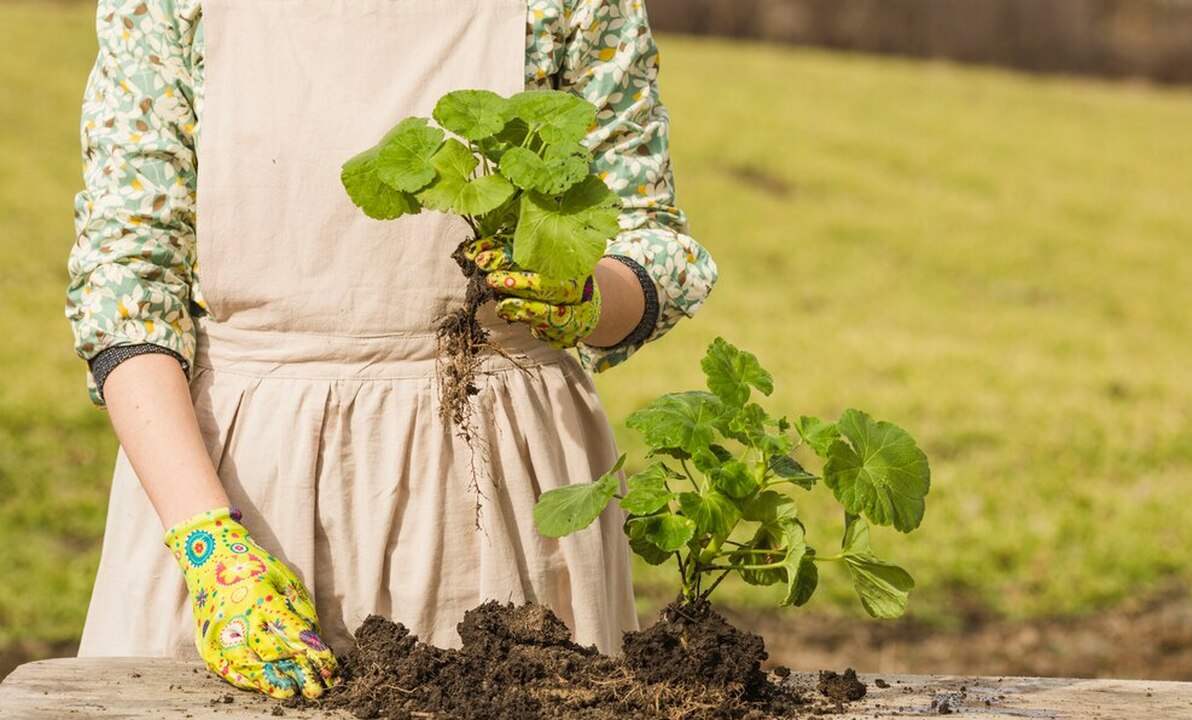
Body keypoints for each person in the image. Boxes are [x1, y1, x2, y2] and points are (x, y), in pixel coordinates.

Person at [65, 0, 717, 700]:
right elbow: (128, 281)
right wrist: (208, 546)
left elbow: (653, 242)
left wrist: (589, 295)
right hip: (232, 488)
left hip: (500, 492)